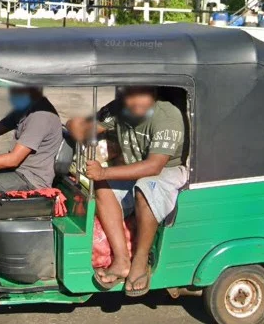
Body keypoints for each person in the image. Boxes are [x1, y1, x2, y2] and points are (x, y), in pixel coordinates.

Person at [67, 87, 187, 296]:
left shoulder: (167, 116)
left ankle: (140, 260)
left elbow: (154, 166)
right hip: (135, 167)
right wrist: (78, 127)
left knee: (145, 188)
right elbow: (82, 127)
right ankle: (122, 260)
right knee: (101, 186)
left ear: (153, 93)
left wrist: (104, 171)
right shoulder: (118, 110)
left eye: (142, 94)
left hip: (167, 170)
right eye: (130, 95)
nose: (136, 101)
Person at [0, 87, 63, 266]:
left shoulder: (41, 116)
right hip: (18, 171)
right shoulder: (26, 108)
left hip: (30, 179)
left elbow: (12, 160)